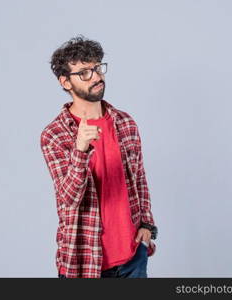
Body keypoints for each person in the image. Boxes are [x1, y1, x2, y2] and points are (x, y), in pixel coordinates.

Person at [40, 35, 158, 278]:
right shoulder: (54, 135)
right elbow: (69, 198)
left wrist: (146, 225)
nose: (96, 76)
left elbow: (140, 179)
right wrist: (80, 150)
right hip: (85, 260)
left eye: (97, 68)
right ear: (65, 82)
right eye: (84, 72)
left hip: (132, 256)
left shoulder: (125, 123)